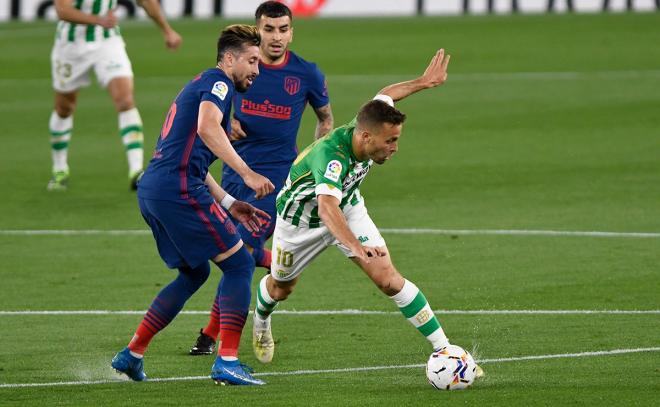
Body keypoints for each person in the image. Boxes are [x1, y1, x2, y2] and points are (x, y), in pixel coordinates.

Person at [250, 49, 482, 379]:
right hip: (301, 222)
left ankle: (445, 349)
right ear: (366, 136)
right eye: (390, 141)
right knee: (281, 289)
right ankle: (261, 319)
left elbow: (386, 94)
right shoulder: (332, 157)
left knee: (387, 279)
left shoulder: (369, 123)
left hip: (348, 207)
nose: (394, 148)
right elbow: (326, 209)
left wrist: (423, 82)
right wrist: (357, 249)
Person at [111, 24, 275, 386]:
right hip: (178, 190)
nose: (256, 69)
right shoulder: (219, 84)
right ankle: (227, 360)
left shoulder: (202, 83)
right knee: (238, 264)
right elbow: (207, 128)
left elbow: (191, 157)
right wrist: (246, 173)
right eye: (251, 60)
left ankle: (132, 354)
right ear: (229, 59)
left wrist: (229, 201)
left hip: (155, 188)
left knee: (195, 272)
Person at [189, 1, 333, 357]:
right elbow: (211, 107)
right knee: (239, 253)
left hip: (277, 181)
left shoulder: (306, 74)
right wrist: (228, 122)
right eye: (269, 29)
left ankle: (212, 336)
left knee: (234, 254)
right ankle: (281, 261)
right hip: (235, 176)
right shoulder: (242, 66)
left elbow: (326, 120)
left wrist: (312, 166)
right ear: (258, 31)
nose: (276, 37)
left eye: (283, 30)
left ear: (292, 32)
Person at [47, 0, 182, 191]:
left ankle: (137, 171)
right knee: (64, 108)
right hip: (70, 47)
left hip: (107, 41)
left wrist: (166, 30)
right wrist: (98, 20)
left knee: (125, 100)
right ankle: (60, 169)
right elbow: (62, 10)